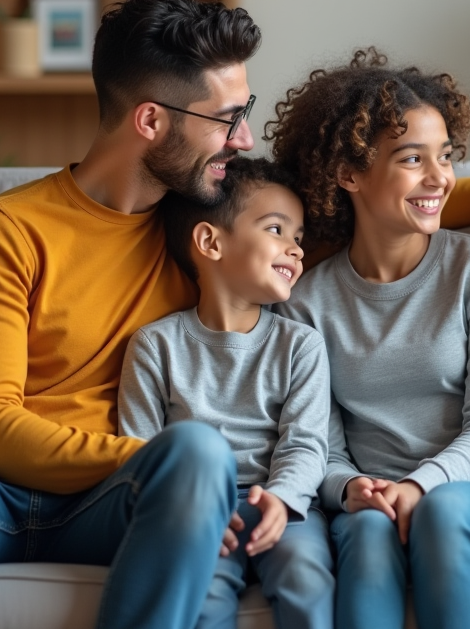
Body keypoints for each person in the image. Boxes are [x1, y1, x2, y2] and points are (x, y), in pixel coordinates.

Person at [0, 0, 262, 629]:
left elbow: (370, 212)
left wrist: (464, 188)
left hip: (112, 502)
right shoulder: (7, 228)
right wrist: (136, 456)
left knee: (199, 454)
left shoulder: (214, 231)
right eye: (228, 117)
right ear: (151, 121)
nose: (243, 137)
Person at [269, 48, 470, 629]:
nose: (439, 178)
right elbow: (318, 445)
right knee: (369, 533)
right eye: (411, 159)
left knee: (455, 513)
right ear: (349, 174)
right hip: (372, 499)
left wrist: (421, 486)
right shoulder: (305, 301)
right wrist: (351, 488)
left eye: (446, 157)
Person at [118, 157, 335, 629]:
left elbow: (305, 442)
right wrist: (185, 512)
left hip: (284, 503)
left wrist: (283, 498)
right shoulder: (155, 345)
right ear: (210, 242)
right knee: (207, 594)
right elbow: (139, 451)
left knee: (306, 578)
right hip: (196, 507)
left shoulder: (301, 345)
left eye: (299, 238)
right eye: (277, 230)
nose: (296, 251)